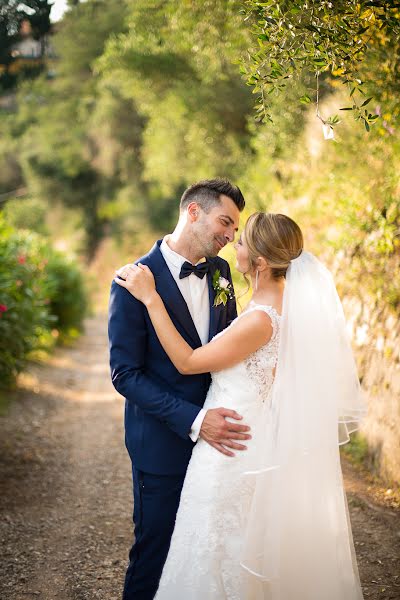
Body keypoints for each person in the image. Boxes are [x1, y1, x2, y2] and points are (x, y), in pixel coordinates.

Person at [115, 212, 366, 600]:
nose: (234, 242)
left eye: (242, 239)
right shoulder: (277, 307)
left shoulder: (261, 319)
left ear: (262, 262)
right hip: (247, 440)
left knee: (213, 553)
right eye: (230, 228)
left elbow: (189, 362)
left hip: (229, 449)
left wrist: (151, 298)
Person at [108, 178, 249, 600]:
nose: (230, 235)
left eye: (235, 230)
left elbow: (227, 348)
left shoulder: (222, 272)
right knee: (155, 553)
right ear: (193, 212)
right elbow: (125, 374)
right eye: (225, 222)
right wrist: (194, 419)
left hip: (218, 445)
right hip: (161, 443)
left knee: (205, 556)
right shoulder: (132, 281)